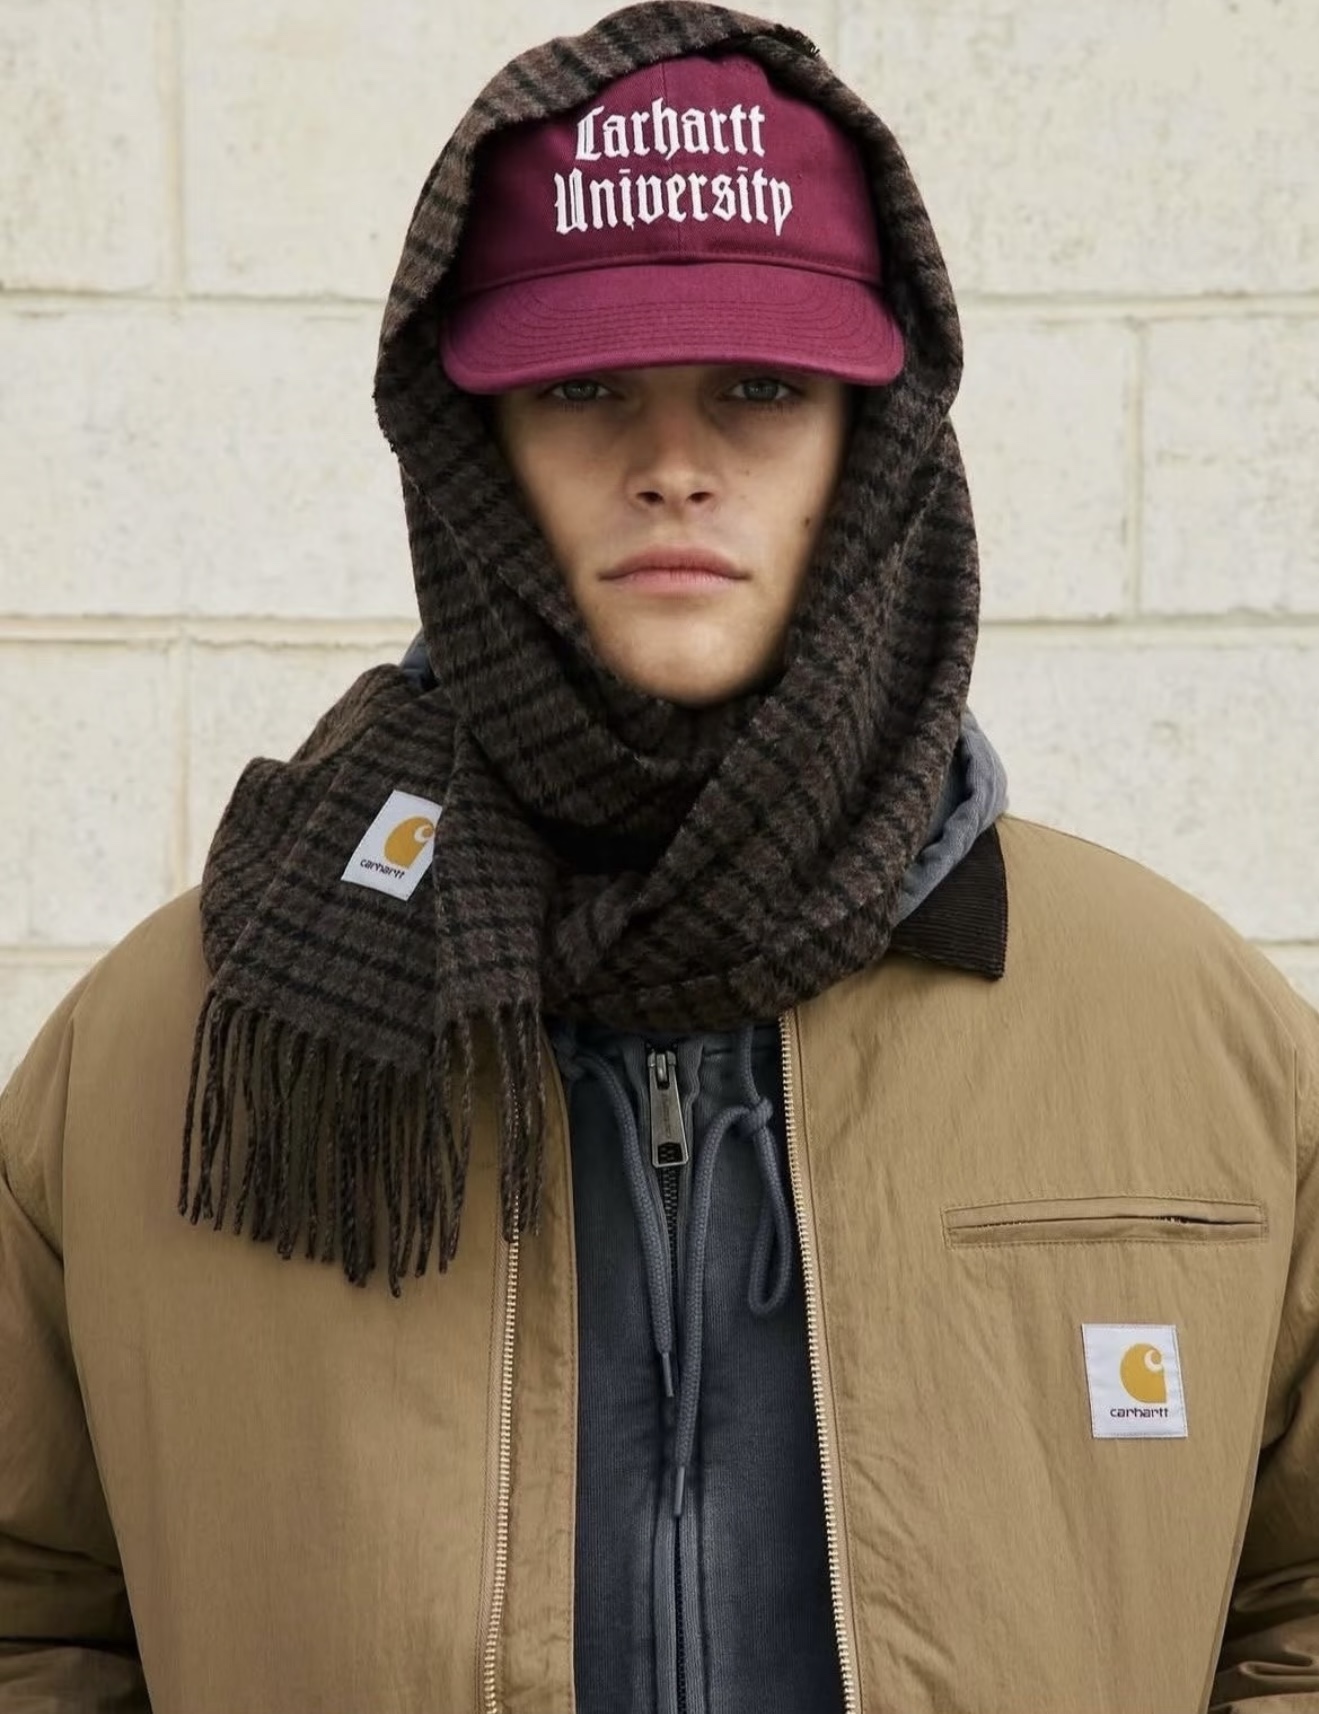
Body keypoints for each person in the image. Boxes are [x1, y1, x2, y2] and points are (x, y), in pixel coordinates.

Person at [1, 5, 1316, 1711]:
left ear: (876, 442)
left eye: (762, 389)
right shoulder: (167, 1057)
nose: (675, 467)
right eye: (582, 387)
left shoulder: (1194, 1045)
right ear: (475, 453)